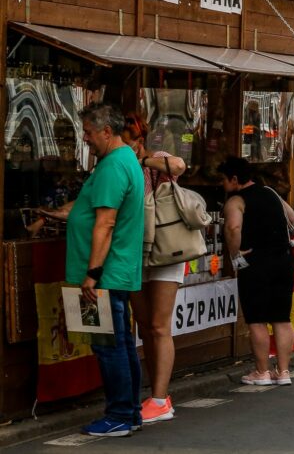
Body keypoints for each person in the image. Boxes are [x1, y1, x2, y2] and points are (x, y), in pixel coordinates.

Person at [67, 102, 145, 437]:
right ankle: (131, 412)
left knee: (106, 345)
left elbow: (105, 222)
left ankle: (119, 415)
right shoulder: (125, 159)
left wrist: (92, 274)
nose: (85, 139)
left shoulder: (113, 165)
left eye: (88, 132)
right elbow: (92, 212)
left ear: (107, 131)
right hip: (116, 271)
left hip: (104, 274)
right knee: (122, 342)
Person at [122, 113, 187, 423]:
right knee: (145, 326)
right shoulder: (114, 165)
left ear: (138, 142)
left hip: (165, 250)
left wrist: (145, 161)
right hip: (134, 252)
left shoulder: (155, 159)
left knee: (160, 326)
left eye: (128, 143)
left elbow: (179, 166)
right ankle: (153, 392)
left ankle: (161, 399)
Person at [219, 157, 294, 388]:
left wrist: (235, 254)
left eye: (223, 180)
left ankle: (262, 371)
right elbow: (291, 218)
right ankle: (283, 372)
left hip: (256, 263)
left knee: (257, 320)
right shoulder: (271, 192)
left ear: (234, 179)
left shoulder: (236, 200)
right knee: (282, 318)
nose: (222, 184)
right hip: (283, 261)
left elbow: (233, 228)